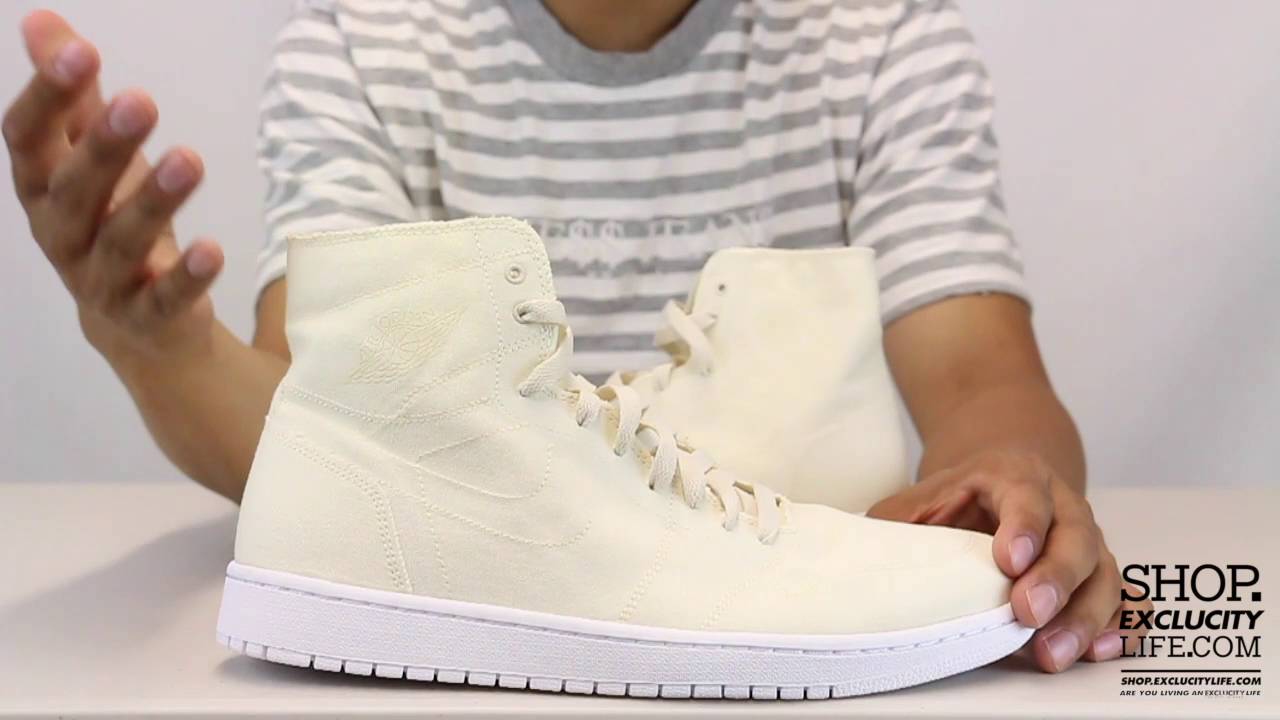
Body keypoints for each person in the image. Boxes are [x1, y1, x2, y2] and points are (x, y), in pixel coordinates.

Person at [4, 0, 1150, 675]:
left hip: (793, 587)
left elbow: (982, 375)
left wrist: (999, 482)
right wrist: (159, 350)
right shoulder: (365, 34)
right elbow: (336, 433)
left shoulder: (880, 29)